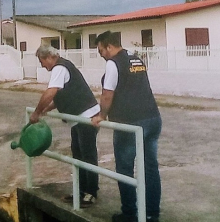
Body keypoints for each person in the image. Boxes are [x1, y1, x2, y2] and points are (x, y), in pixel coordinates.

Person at [91, 31, 162, 222]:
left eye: (101, 51)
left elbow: (107, 95)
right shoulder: (136, 60)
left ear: (109, 47)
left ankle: (130, 213)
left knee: (124, 167)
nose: (101, 55)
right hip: (152, 118)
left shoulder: (113, 64)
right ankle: (151, 214)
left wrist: (101, 115)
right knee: (150, 168)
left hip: (130, 122)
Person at [30, 45, 100, 208]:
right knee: (78, 154)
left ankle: (91, 193)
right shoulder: (63, 66)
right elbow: (63, 96)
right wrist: (47, 109)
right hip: (79, 118)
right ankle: (82, 191)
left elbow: (51, 92)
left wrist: (37, 112)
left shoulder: (59, 68)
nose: (42, 66)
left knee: (87, 155)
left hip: (86, 117)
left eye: (42, 62)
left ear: (48, 57)